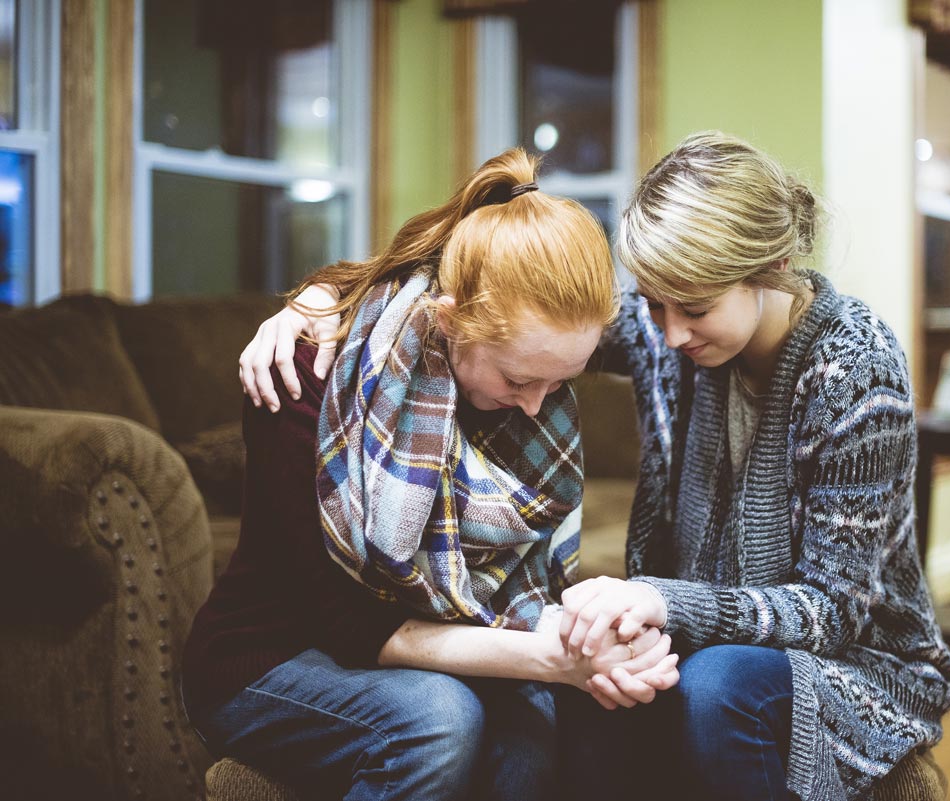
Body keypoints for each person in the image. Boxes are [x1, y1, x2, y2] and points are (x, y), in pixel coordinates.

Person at [241, 133, 950, 801]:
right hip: (692, 631)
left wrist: (659, 600)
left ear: (770, 269)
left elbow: (833, 611)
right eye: (650, 301)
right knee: (576, 703)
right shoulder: (667, 327)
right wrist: (328, 300)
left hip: (851, 661)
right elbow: (509, 300)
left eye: (696, 308)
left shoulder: (856, 367)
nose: (668, 332)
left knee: (716, 685)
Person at [183, 148, 679, 801]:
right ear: (450, 321)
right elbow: (344, 622)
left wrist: (598, 649)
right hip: (269, 658)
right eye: (520, 379)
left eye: (561, 383)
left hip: (414, 647)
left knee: (534, 724)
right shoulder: (309, 372)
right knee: (440, 718)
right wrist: (555, 658)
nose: (538, 406)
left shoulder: (524, 396)